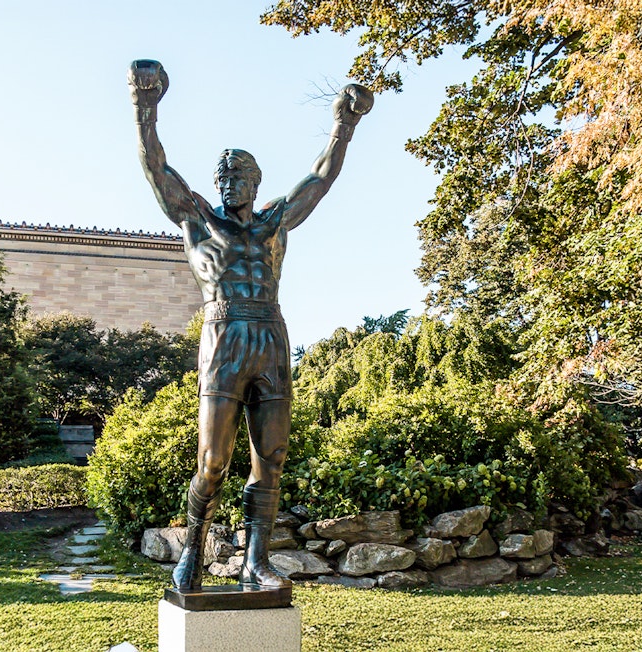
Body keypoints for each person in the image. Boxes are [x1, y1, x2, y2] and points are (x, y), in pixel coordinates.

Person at [128, 59, 373, 591]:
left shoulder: (273, 222)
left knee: (273, 457)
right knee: (213, 461)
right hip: (224, 337)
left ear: (256, 181)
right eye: (222, 175)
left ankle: (255, 563)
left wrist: (344, 124)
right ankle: (192, 552)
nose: (227, 182)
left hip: (270, 336)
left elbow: (321, 178)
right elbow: (156, 169)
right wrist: (145, 109)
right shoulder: (198, 219)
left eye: (237, 175)